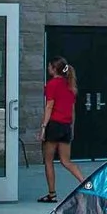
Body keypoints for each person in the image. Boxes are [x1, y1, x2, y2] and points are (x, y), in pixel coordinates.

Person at [36, 58, 86, 202]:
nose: (48, 69)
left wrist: (43, 128)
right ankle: (87, 183)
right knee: (66, 161)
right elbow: (72, 110)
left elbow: (49, 107)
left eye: (49, 67)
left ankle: (52, 194)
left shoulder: (51, 85)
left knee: (48, 160)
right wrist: (72, 128)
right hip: (66, 126)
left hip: (54, 125)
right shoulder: (70, 85)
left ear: (53, 69)